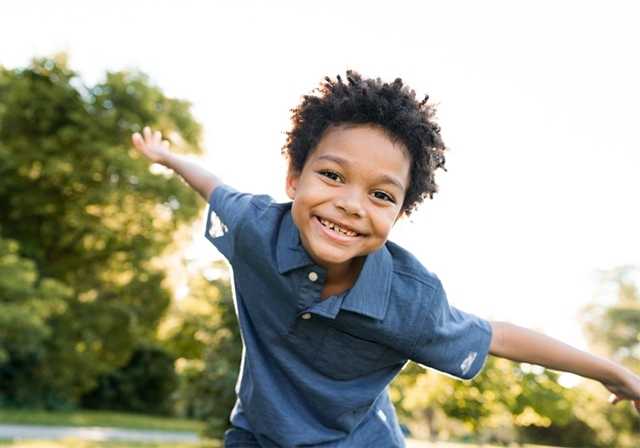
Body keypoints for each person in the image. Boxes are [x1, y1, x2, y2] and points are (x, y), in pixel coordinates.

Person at [131, 71, 640, 447]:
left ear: (399, 213)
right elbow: (213, 186)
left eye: (380, 195)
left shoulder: (408, 300)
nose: (352, 203)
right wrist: (168, 157)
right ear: (293, 178)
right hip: (258, 435)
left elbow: (499, 336)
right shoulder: (255, 229)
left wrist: (612, 373)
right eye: (332, 175)